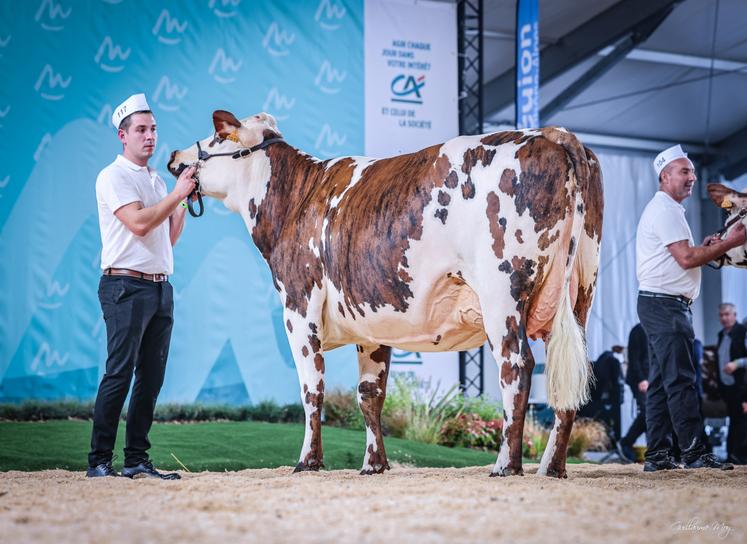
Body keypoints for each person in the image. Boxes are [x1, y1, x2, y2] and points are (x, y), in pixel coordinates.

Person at [87, 93, 197, 479]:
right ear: (123, 135)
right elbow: (138, 223)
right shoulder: (112, 176)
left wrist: (183, 201)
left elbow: (168, 237)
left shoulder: (154, 179)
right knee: (119, 372)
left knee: (151, 377)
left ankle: (136, 459)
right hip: (124, 285)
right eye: (141, 130)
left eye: (153, 129)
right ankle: (99, 461)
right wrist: (176, 195)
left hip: (158, 287)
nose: (150, 136)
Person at [636, 144, 746, 472]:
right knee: (682, 380)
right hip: (667, 306)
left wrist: (708, 245)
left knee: (660, 384)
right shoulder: (666, 210)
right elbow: (686, 259)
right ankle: (696, 454)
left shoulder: (666, 210)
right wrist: (730, 243)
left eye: (692, 172)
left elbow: (684, 255)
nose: (692, 178)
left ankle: (658, 455)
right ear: (665, 176)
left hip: (658, 304)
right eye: (684, 171)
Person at [715, 303, 747, 464]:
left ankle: (739, 457)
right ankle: (732, 456)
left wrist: (736, 364)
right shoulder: (721, 334)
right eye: (721, 315)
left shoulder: (742, 332)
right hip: (728, 387)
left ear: (735, 315)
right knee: (734, 421)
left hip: (742, 387)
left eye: (727, 314)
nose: (724, 318)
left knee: (741, 422)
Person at [620, 323, 649, 462]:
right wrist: (641, 379)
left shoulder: (657, 327)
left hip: (651, 379)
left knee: (651, 415)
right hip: (640, 380)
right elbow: (634, 358)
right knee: (648, 413)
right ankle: (626, 443)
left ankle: (626, 443)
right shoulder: (638, 330)